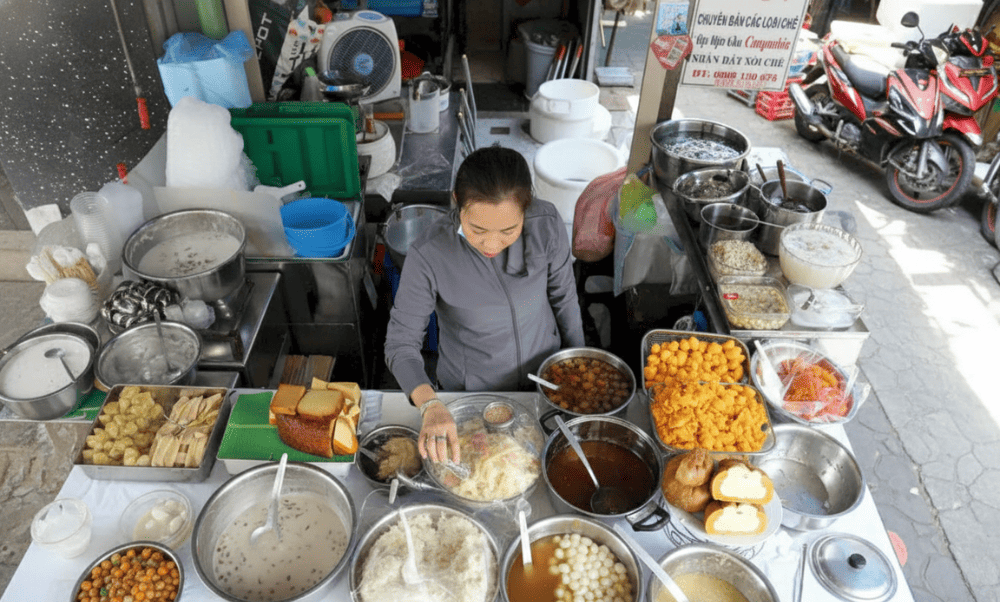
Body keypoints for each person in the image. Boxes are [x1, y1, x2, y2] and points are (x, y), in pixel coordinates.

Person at [385, 145, 585, 464]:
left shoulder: (546, 225)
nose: (491, 244)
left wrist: (578, 366)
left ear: (526, 209)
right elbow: (400, 344)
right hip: (473, 397)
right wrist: (429, 404)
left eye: (509, 230)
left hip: (547, 385)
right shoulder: (429, 254)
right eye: (477, 230)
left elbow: (565, 299)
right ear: (457, 203)